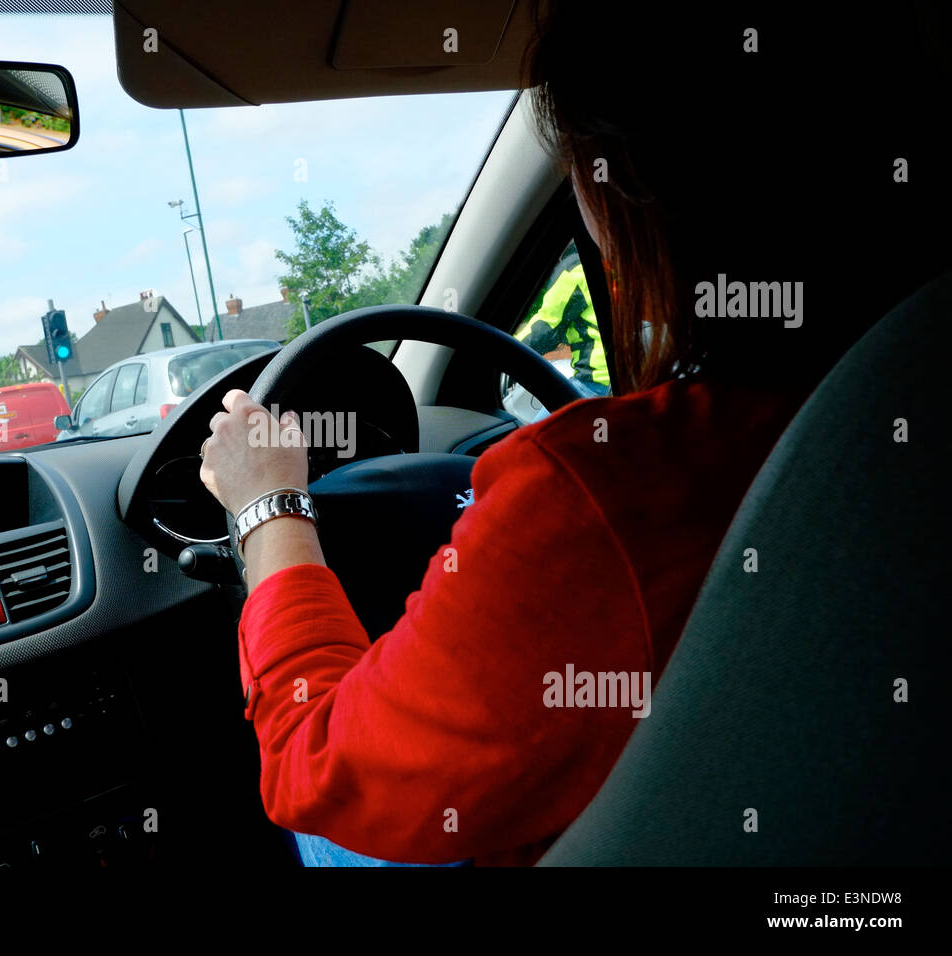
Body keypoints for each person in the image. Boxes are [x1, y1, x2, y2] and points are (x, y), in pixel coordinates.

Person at [198, 1, 950, 865]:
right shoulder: (907, 400)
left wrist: (269, 507)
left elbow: (317, 767)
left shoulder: (603, 496)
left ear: (621, 187)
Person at [520, 255, 610, 395]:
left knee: (546, 418)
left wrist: (507, 346)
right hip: (633, 378)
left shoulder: (576, 269)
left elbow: (546, 327)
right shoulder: (617, 260)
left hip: (597, 382)